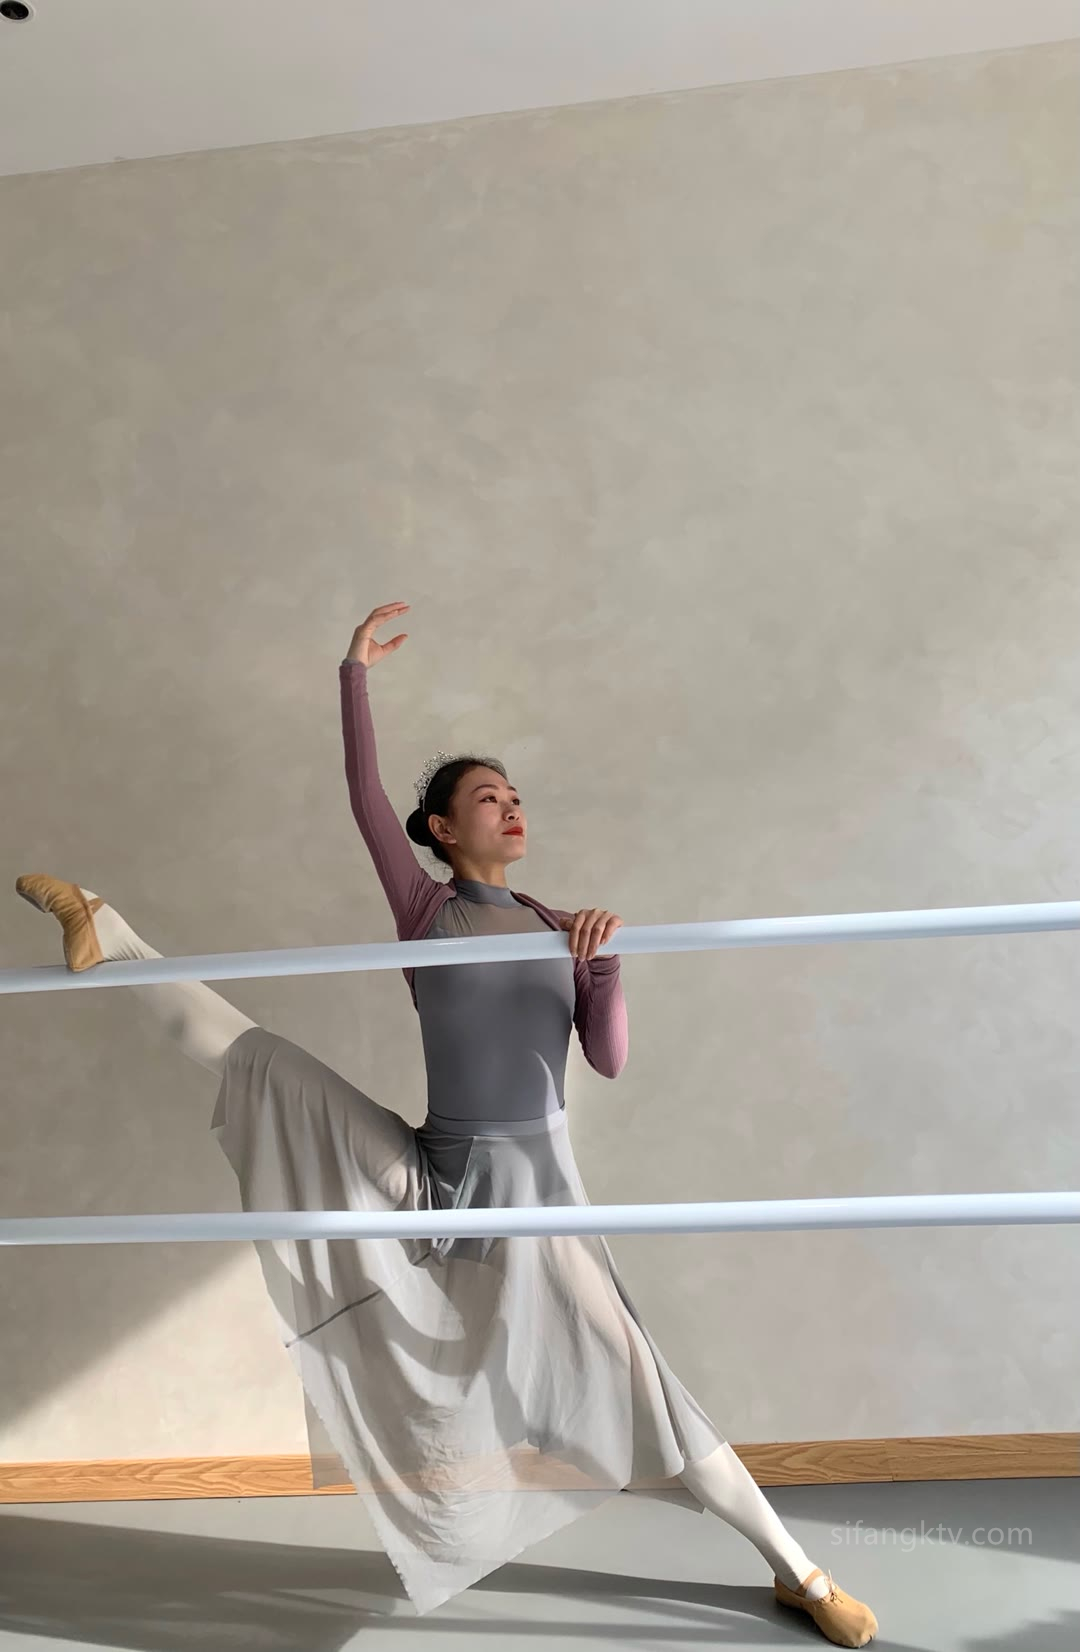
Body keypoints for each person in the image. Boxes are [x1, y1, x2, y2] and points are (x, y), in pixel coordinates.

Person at [15, 600, 876, 1645]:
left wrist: (604, 968)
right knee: (267, 1065)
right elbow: (362, 797)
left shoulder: (561, 926)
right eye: (486, 797)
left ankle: (798, 1570)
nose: (510, 808)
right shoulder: (428, 910)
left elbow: (606, 1057)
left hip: (535, 1194)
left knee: (646, 1384)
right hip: (435, 1171)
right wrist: (352, 674)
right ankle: (105, 928)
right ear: (441, 830)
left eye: (515, 796)